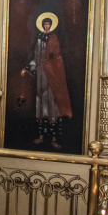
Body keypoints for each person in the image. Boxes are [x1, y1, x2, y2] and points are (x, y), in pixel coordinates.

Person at [21, 15, 72, 149]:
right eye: (45, 24)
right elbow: (36, 57)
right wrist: (27, 68)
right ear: (42, 25)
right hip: (41, 76)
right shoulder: (39, 37)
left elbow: (57, 56)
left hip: (52, 75)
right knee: (40, 106)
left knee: (52, 107)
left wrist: (51, 62)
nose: (47, 26)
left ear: (51, 25)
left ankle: (54, 139)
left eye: (49, 24)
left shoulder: (54, 37)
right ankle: (41, 136)